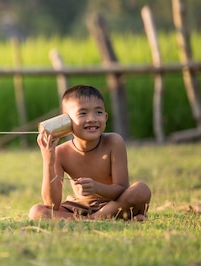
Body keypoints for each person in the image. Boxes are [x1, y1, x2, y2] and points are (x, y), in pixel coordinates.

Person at [28, 84, 151, 221]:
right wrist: (48, 162)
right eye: (83, 113)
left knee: (141, 190)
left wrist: (96, 187)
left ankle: (93, 220)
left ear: (105, 117)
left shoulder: (114, 142)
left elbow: (122, 189)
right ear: (66, 121)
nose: (92, 118)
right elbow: (51, 205)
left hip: (113, 203)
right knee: (36, 211)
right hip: (79, 207)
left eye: (98, 112)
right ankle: (111, 219)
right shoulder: (61, 153)